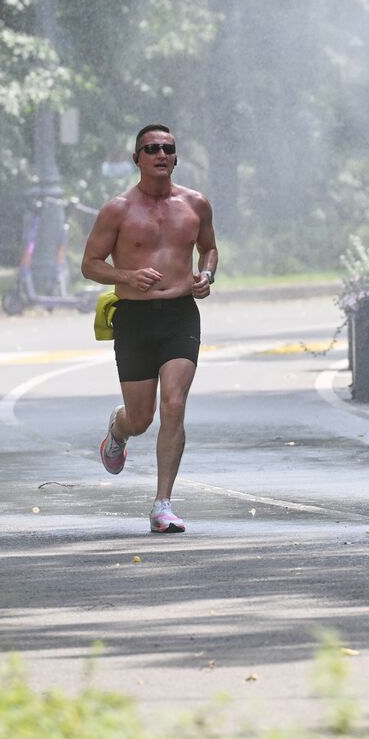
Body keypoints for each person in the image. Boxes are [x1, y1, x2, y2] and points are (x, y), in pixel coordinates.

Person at [81, 123, 218, 533]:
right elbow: (90, 264)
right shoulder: (118, 209)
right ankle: (119, 430)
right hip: (135, 319)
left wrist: (206, 275)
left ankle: (163, 504)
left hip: (180, 315)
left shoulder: (196, 204)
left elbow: (208, 248)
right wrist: (125, 276)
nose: (160, 154)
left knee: (173, 405)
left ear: (175, 158)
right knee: (141, 418)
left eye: (168, 148)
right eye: (151, 148)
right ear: (137, 158)